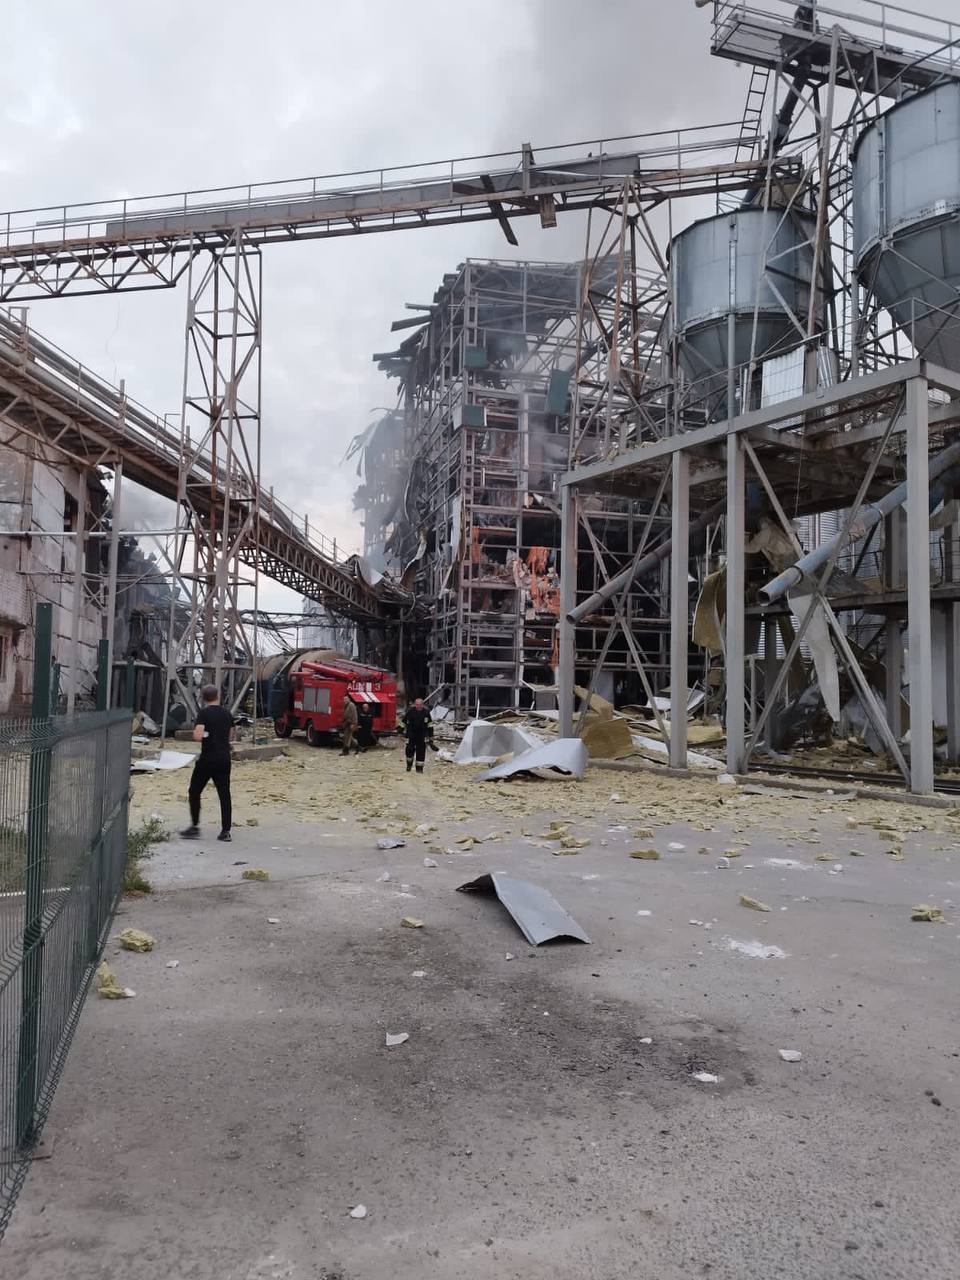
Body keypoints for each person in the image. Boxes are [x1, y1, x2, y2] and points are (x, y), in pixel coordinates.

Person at [181, 684, 234, 842]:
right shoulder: (227, 713)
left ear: (203, 698)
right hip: (224, 758)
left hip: (208, 758)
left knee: (194, 791)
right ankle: (225, 831)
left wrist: (206, 734)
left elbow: (197, 736)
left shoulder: (203, 714)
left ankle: (194, 826)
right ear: (217, 696)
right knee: (224, 794)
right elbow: (231, 736)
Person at [402, 696, 433, 774]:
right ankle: (409, 765)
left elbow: (430, 725)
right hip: (411, 735)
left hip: (422, 736)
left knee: (421, 752)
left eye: (420, 704)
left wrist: (430, 736)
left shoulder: (426, 713)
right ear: (415, 705)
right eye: (417, 704)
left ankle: (419, 769)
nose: (418, 706)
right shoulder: (410, 712)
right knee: (409, 751)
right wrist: (399, 729)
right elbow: (404, 721)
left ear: (423, 705)